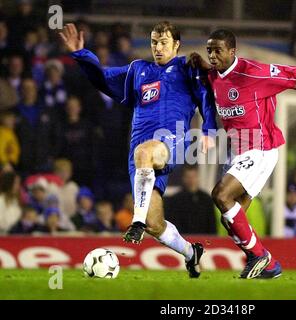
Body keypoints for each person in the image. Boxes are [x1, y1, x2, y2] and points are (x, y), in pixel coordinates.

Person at [190, 29, 296, 279]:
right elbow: (211, 72)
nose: (213, 55)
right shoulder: (214, 75)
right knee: (231, 221)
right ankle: (269, 265)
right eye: (210, 50)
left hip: (260, 148)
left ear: (232, 51)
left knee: (221, 194)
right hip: (236, 150)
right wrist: (198, 61)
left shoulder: (253, 72)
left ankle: (259, 256)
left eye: (218, 50)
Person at [59, 21, 217, 278]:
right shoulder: (138, 70)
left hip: (171, 140)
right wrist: (81, 54)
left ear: (176, 44)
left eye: (164, 42)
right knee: (156, 225)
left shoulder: (187, 67)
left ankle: (136, 221)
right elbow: (102, 77)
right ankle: (191, 253)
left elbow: (206, 97)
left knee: (144, 156)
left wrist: (209, 130)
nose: (158, 47)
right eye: (154, 42)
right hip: (139, 154)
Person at [164, 164, 216, 234]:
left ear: (198, 177)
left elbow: (212, 225)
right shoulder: (175, 200)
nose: (191, 180)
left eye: (194, 176)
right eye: (188, 177)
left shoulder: (207, 199)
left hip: (204, 241)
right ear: (183, 178)